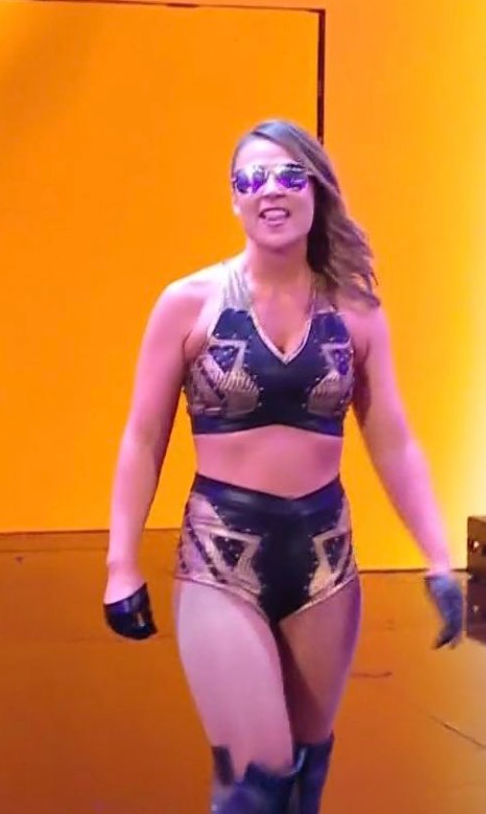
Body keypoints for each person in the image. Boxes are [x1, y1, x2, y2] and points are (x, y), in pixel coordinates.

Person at [102, 118, 464, 813]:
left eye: (289, 175)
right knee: (256, 779)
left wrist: (439, 558)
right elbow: (143, 439)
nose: (271, 190)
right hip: (221, 558)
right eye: (252, 178)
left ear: (316, 190)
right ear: (234, 198)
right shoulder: (188, 304)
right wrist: (121, 564)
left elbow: (391, 440)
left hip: (325, 561)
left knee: (303, 778)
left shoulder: (356, 312)